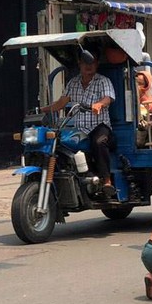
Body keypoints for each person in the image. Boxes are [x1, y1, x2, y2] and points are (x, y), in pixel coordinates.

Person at [41, 48, 116, 196]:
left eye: (92, 62)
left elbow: (108, 98)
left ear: (97, 63)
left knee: (99, 142)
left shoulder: (103, 81)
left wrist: (99, 104)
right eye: (85, 62)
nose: (89, 66)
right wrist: (41, 109)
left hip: (98, 127)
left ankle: (107, 180)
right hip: (79, 129)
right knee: (58, 141)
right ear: (79, 63)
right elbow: (60, 103)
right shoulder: (73, 83)